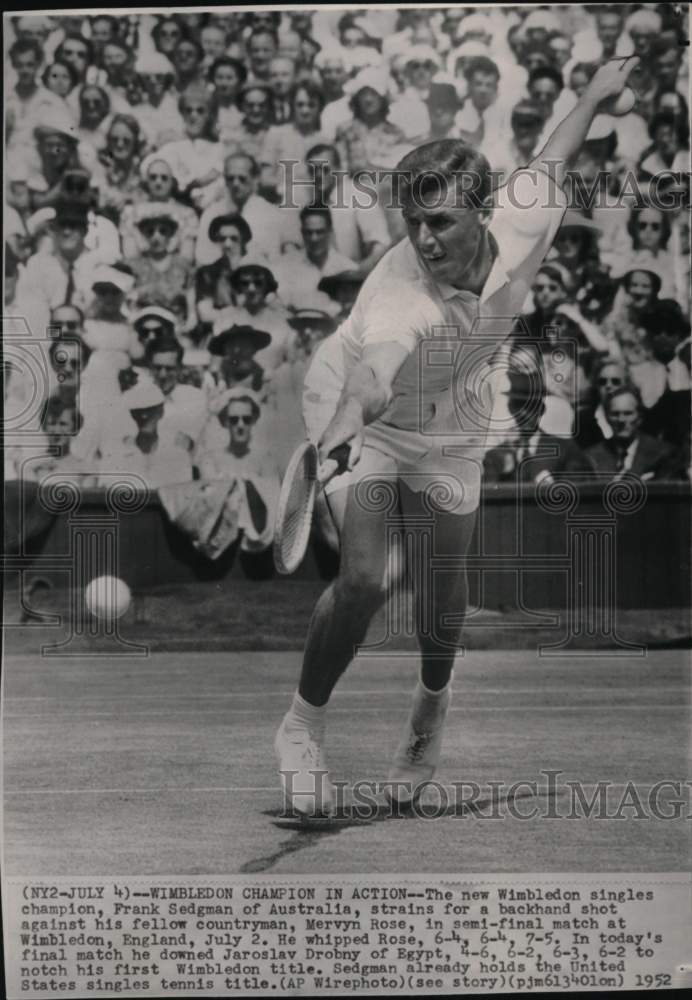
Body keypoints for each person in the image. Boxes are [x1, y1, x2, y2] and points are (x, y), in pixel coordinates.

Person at [274, 56, 642, 815]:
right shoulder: (400, 293)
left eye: (438, 220)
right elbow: (370, 378)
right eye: (411, 221)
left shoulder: (526, 213)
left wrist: (599, 92)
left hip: (459, 413)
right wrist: (343, 430)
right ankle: (301, 728)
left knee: (442, 598)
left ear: (483, 210)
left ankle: (428, 714)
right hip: (363, 411)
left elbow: (558, 150)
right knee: (370, 578)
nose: (424, 237)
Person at [584, 387, 684, 482]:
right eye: (615, 414)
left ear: (639, 417)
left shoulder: (664, 454)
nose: (621, 420)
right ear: (607, 417)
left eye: (628, 413)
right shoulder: (591, 458)